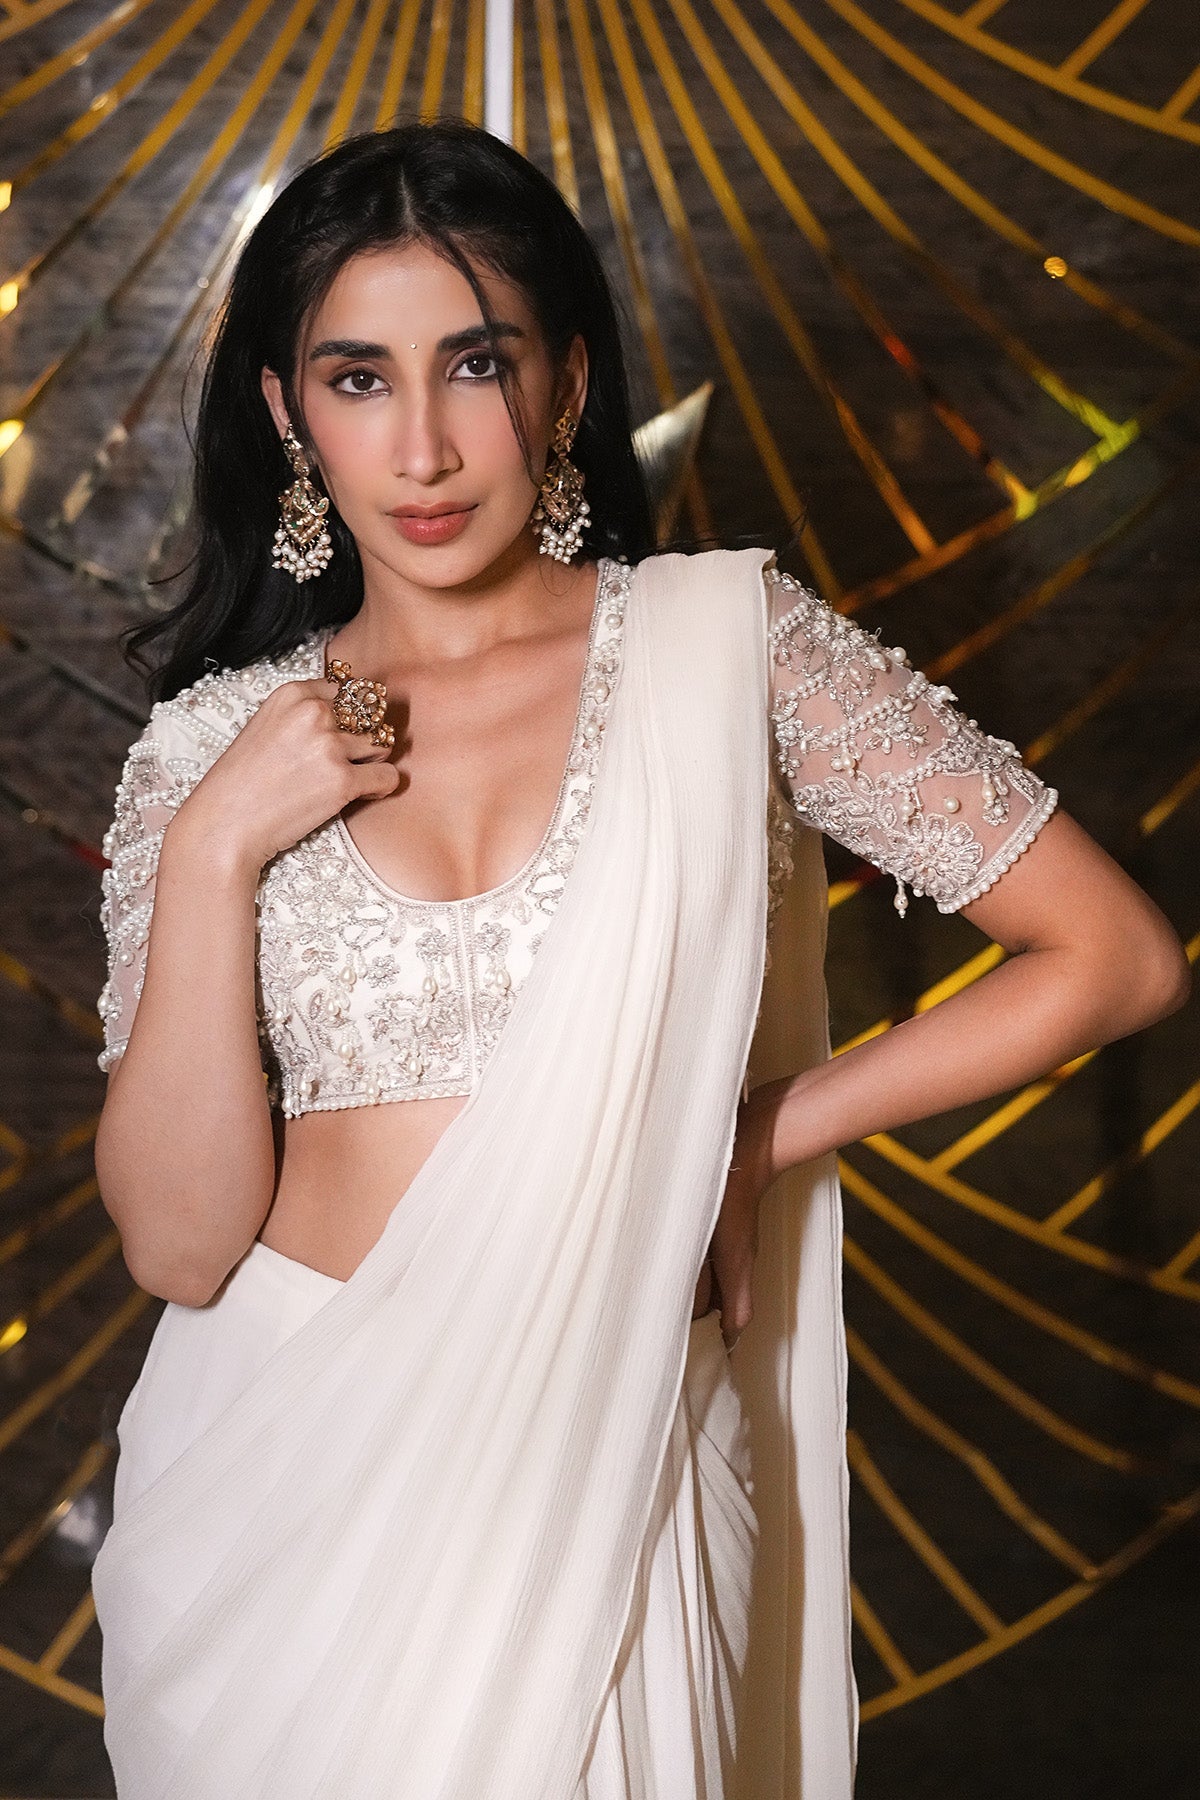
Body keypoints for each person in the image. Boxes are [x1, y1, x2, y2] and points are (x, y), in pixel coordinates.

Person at [88, 121, 1189, 1800]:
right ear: (286, 414)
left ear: (569, 381)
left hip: (611, 1452)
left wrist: (756, 1135)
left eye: (476, 363)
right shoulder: (209, 754)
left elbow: (1113, 957)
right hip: (281, 1483)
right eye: (359, 379)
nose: (426, 445)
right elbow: (178, 1245)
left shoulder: (723, 653)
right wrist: (216, 846)